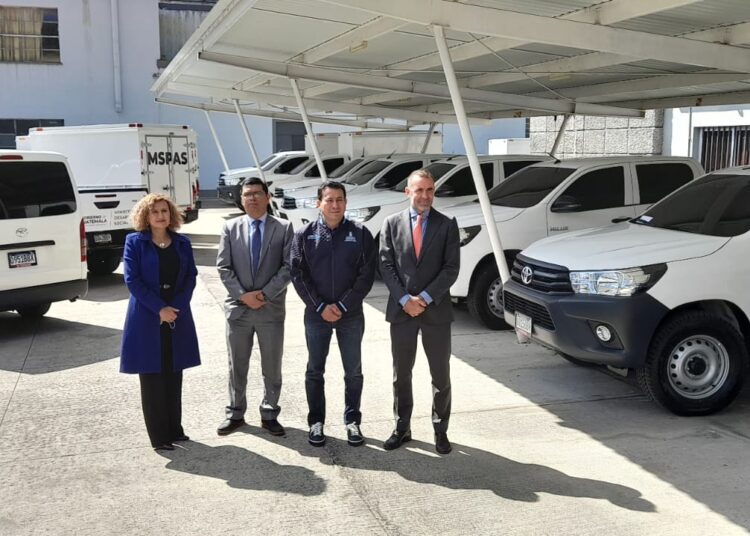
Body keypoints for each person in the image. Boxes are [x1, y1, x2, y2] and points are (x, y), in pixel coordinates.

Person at [379, 169, 460, 454]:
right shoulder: (391, 224)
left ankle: (440, 429)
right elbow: (386, 265)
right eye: (419, 190)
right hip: (402, 312)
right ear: (407, 192)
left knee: (440, 375)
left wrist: (423, 299)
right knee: (401, 374)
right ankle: (402, 427)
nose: (425, 196)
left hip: (435, 312)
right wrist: (405, 300)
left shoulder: (447, 225)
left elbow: (451, 269)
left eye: (430, 190)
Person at [290, 181, 376, 447]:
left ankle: (352, 421)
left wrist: (343, 305)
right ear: (319, 203)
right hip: (317, 315)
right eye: (329, 200)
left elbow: (366, 275)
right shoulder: (304, 234)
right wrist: (320, 306)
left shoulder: (360, 233)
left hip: (350, 315)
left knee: (353, 371)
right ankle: (316, 422)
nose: (335, 205)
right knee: (315, 370)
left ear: (346, 203)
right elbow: (298, 274)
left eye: (340, 200)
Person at [120, 193, 201, 452]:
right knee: (152, 376)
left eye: (164, 211)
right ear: (146, 216)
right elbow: (132, 280)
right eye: (154, 211)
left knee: (173, 372)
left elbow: (191, 276)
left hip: (177, 314)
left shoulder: (182, 242)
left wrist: (177, 306)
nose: (160, 216)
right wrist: (160, 309)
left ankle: (175, 429)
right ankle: (159, 437)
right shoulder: (134, 242)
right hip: (147, 317)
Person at [216, 177, 294, 437]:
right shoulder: (230, 228)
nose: (252, 198)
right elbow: (223, 267)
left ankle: (269, 413)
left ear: (267, 197)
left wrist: (264, 295)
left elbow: (289, 266)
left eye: (257, 193)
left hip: (270, 310)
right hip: (238, 310)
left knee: (272, 365)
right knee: (236, 365)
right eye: (247, 194)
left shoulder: (283, 227)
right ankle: (235, 413)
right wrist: (242, 296)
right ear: (241, 199)